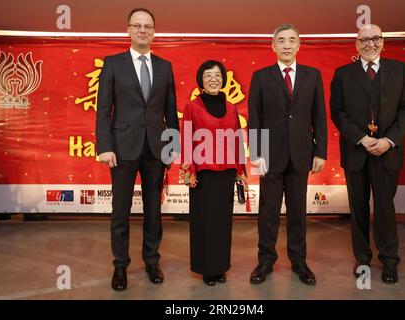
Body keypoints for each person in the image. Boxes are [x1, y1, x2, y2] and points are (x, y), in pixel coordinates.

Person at [96, 7, 179, 291]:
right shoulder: (113, 63)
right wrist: (105, 146)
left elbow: (171, 111)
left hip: (156, 148)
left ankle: (151, 260)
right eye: (137, 26)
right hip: (121, 148)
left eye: (148, 26)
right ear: (128, 30)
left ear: (154, 32)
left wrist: (172, 146)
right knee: (120, 210)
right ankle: (120, 266)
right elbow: (104, 109)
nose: (143, 30)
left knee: (154, 210)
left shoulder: (165, 66)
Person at [330, 24, 405, 284]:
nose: (370, 43)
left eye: (375, 38)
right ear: (356, 45)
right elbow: (338, 112)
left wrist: (388, 141)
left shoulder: (399, 70)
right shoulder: (343, 74)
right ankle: (363, 258)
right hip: (356, 152)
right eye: (364, 39)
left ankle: (389, 260)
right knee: (357, 208)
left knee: (385, 208)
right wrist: (361, 138)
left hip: (387, 153)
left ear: (383, 42)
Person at [248, 24, 327, 286]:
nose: (286, 45)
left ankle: (299, 261)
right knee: (268, 211)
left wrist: (321, 152)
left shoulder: (312, 76)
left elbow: (319, 117)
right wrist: (256, 152)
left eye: (292, 40)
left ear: (299, 45)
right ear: (273, 46)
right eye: (281, 40)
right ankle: (265, 260)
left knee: (297, 211)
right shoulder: (261, 76)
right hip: (269, 155)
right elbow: (255, 117)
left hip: (302, 154)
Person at [179, 60, 247, 286]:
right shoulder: (192, 106)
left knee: (222, 223)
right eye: (208, 75)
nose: (213, 79)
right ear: (201, 80)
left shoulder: (231, 107)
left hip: (226, 174)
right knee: (204, 223)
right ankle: (207, 269)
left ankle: (220, 267)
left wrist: (240, 170)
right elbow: (187, 138)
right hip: (203, 175)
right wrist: (190, 171)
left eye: (217, 75)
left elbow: (238, 138)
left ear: (223, 79)